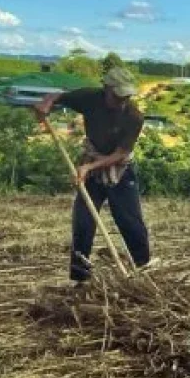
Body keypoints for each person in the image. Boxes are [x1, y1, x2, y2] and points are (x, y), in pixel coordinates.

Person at [35, 67, 153, 282]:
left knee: (131, 223)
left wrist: (88, 168)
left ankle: (143, 271)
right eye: (117, 96)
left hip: (120, 170)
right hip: (91, 166)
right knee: (83, 224)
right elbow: (58, 95)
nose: (122, 101)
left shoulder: (134, 116)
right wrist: (46, 104)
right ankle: (80, 279)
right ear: (106, 89)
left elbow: (121, 153)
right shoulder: (90, 98)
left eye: (126, 97)